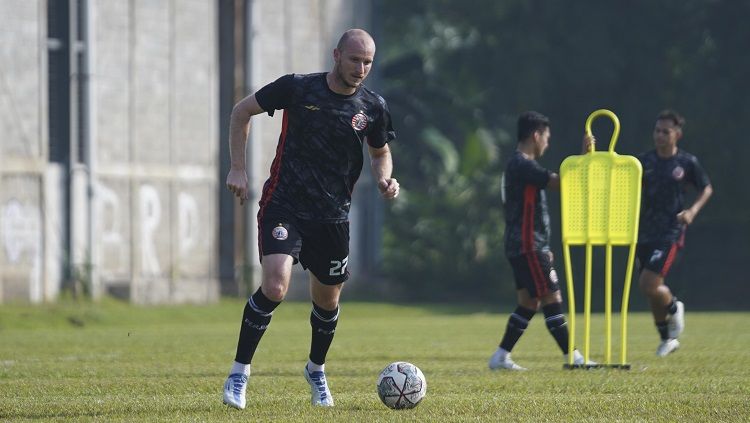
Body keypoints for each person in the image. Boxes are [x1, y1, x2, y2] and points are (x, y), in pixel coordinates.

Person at [222, 28, 399, 409]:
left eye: (368, 62)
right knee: (275, 287)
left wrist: (384, 176)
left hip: (333, 215)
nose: (361, 68)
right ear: (336, 55)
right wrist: (237, 167)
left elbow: (380, 151)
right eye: (354, 60)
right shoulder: (298, 89)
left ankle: (316, 369)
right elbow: (241, 112)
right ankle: (239, 373)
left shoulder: (373, 107)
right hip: (284, 203)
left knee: (327, 302)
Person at [489, 111, 590, 370]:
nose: (547, 143)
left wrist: (543, 246)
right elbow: (562, 183)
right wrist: (583, 159)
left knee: (528, 302)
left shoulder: (517, 164)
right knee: (551, 297)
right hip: (527, 244)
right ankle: (575, 358)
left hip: (524, 244)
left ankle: (501, 357)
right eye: (546, 137)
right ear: (536, 135)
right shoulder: (523, 164)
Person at [636, 109, 712, 357]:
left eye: (665, 131)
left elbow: (706, 188)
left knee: (649, 283)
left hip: (670, 232)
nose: (659, 135)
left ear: (677, 134)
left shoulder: (686, 162)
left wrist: (692, 211)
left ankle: (674, 306)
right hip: (645, 232)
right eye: (657, 130)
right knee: (651, 289)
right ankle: (667, 339)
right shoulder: (644, 162)